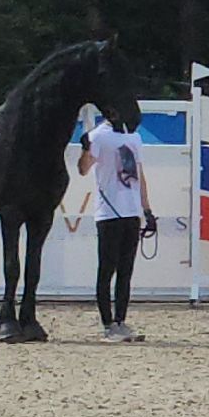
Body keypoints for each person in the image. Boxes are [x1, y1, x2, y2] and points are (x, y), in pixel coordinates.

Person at [78, 115, 152, 342]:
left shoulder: (134, 137)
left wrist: (147, 209)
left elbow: (140, 176)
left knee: (125, 271)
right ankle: (107, 323)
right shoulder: (99, 135)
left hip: (131, 211)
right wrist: (86, 149)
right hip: (109, 212)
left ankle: (120, 320)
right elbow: (83, 169)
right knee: (107, 269)